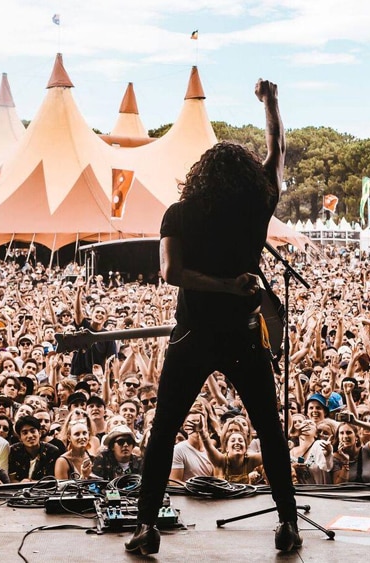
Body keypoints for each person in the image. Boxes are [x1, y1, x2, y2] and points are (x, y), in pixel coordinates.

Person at [126, 79, 298, 556]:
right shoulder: (259, 203)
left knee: (164, 432)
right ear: (246, 175)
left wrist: (219, 285)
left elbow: (171, 273)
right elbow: (278, 148)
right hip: (242, 336)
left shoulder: (179, 213)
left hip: (194, 335)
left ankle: (146, 529)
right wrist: (271, 102)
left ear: (200, 175)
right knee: (269, 429)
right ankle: (288, 523)